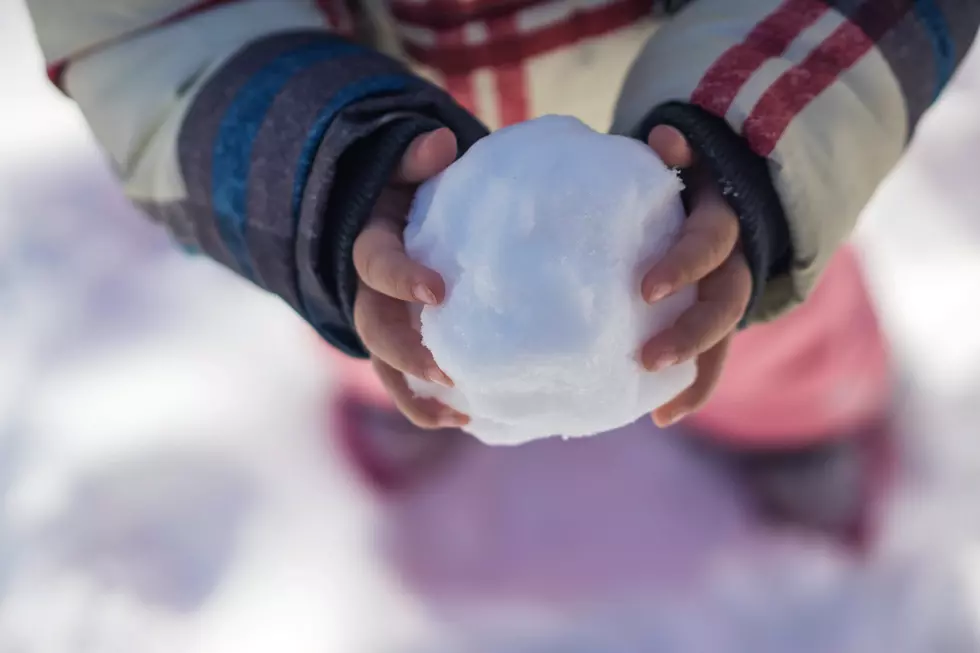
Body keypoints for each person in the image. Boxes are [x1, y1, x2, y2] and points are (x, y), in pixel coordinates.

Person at [23, 0, 980, 630]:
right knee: (397, 331)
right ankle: (400, 392)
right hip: (376, 161)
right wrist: (321, 170)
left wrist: (761, 132)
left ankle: (802, 425)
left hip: (708, 149)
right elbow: (146, 31)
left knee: (766, 331)